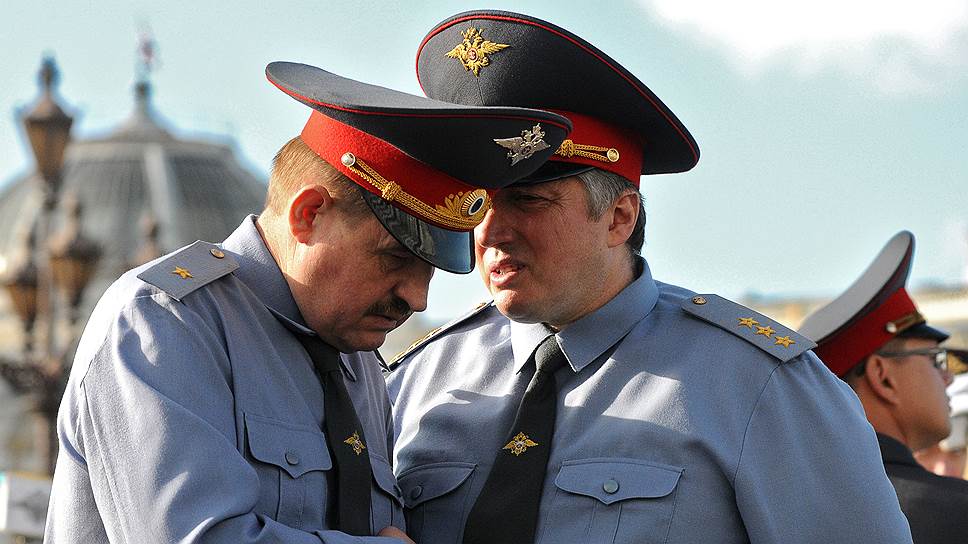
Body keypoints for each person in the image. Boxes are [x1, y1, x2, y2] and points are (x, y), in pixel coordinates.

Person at [386, 10, 913, 544]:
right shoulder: (418, 382)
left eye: (529, 200)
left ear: (620, 217)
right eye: (477, 203)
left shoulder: (758, 385)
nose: (490, 231)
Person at [43, 60, 571, 543]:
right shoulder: (164, 321)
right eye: (395, 257)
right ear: (309, 214)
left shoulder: (356, 361)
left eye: (429, 268)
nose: (416, 297)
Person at [798, 230, 968, 544]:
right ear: (883, 376)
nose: (948, 377)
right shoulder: (957, 512)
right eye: (935, 359)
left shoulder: (794, 511)